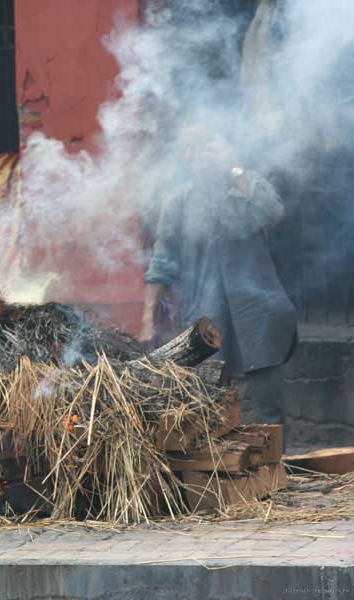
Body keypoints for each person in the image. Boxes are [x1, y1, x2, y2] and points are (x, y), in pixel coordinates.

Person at [140, 127, 297, 426]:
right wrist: (148, 321)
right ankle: (219, 458)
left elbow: (273, 213)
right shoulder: (178, 202)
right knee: (208, 405)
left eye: (209, 146)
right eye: (193, 148)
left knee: (269, 410)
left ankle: (274, 457)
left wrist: (234, 168)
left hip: (258, 311)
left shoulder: (247, 187)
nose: (201, 154)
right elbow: (161, 264)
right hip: (206, 316)